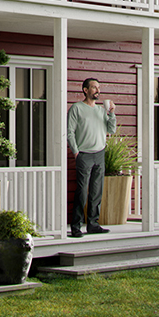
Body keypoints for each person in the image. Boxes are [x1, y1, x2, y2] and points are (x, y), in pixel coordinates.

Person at [67, 78, 117, 237]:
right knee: (82, 191)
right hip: (84, 154)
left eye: (99, 87)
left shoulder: (102, 111)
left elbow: (112, 130)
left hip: (100, 153)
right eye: (94, 87)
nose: (97, 90)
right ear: (85, 90)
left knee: (96, 191)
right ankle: (76, 226)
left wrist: (112, 113)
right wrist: (76, 151)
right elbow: (70, 132)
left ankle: (93, 224)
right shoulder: (77, 108)